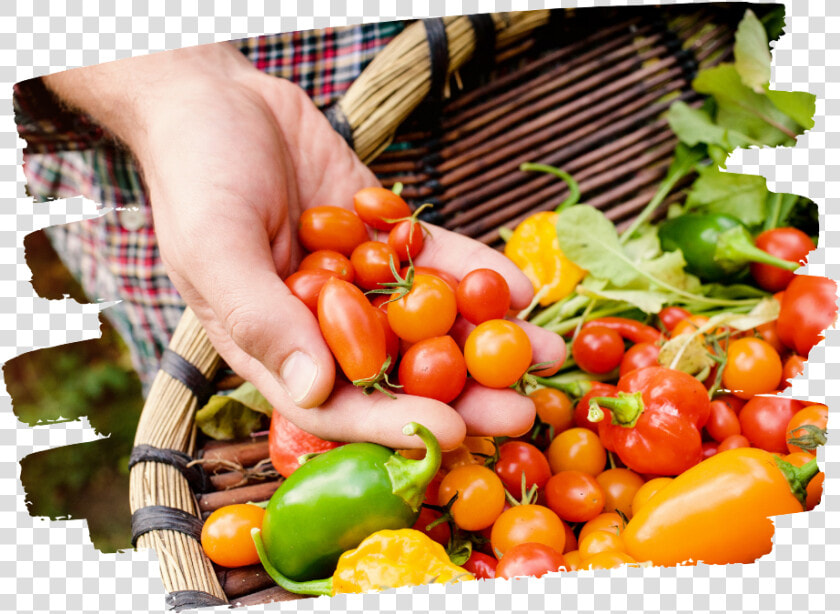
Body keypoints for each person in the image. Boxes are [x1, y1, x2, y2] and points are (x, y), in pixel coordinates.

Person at [15, 25, 565, 451]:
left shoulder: (385, 279)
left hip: (514, 107)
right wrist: (179, 83)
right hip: (172, 183)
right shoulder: (359, 277)